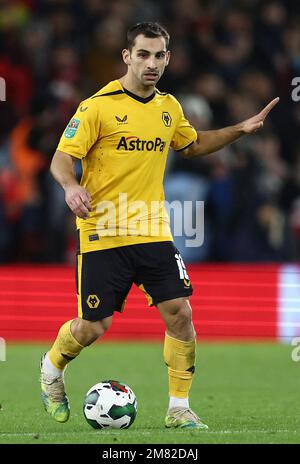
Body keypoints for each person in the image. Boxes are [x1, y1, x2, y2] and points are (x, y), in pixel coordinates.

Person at [40, 22, 279, 429]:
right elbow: (62, 157)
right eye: (143, 54)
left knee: (180, 314)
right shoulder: (97, 106)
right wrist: (70, 186)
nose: (151, 63)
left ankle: (178, 407)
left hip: (152, 230)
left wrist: (238, 130)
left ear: (168, 58)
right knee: (94, 326)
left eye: (159, 56)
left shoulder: (169, 108)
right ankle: (51, 369)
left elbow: (193, 144)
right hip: (104, 230)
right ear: (127, 56)